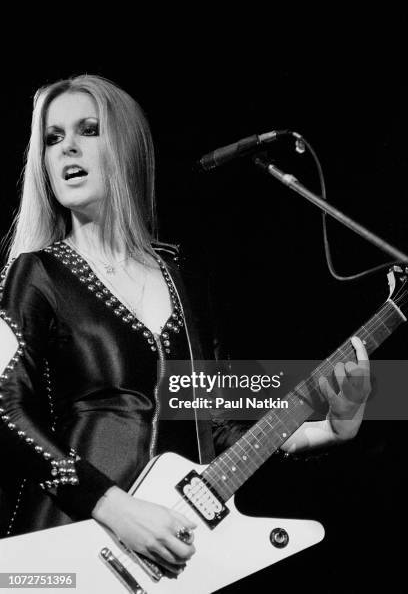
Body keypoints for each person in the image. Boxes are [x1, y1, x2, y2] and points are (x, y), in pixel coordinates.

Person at [0, 74, 371, 577]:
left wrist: (327, 430)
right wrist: (115, 508)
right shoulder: (36, 274)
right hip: (69, 543)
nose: (68, 148)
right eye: (53, 137)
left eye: (89, 130)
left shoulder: (183, 275)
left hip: (168, 559)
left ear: (126, 147)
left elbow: (214, 418)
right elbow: (6, 411)